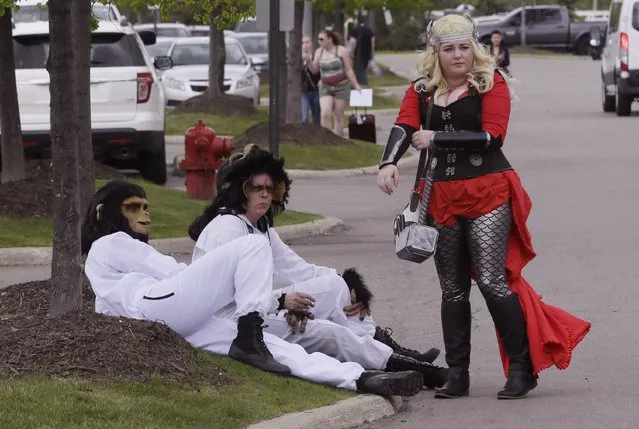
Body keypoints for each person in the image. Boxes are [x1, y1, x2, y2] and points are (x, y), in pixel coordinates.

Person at [376, 14, 591, 400]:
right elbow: (404, 126)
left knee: (492, 281)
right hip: (441, 196)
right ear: (435, 53)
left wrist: (436, 138)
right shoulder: (422, 89)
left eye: (463, 47)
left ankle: (522, 370)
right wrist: (388, 162)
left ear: (472, 49)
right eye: (449, 49)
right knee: (453, 289)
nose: (458, 55)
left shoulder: (490, 82)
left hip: (488, 192)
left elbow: (493, 136)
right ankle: (458, 374)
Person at [81, 179, 426, 397]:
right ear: (104, 212)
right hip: (156, 308)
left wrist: (271, 299)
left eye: (145, 207)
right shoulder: (109, 244)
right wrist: (237, 289)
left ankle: (360, 380)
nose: (145, 215)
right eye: (133, 208)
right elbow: (173, 272)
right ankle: (250, 332)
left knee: (278, 348)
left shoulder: (113, 268)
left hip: (173, 323)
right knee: (253, 246)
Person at [188, 144, 449, 389]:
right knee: (329, 332)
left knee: (335, 287)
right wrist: (282, 302)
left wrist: (350, 286)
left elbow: (301, 270)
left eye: (270, 188)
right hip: (230, 325)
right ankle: (414, 369)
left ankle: (404, 360)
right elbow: (225, 298)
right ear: (240, 191)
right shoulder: (227, 228)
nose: (265, 195)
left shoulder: (260, 228)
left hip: (258, 314)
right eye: (256, 188)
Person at [307, 27, 362, 137]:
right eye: (318, 39)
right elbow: (314, 70)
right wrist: (309, 61)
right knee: (325, 113)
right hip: (325, 87)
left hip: (341, 87)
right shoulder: (319, 52)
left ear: (329, 39)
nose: (319, 42)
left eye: (321, 39)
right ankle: (326, 139)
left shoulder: (341, 51)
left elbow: (348, 69)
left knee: (338, 115)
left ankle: (338, 139)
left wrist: (356, 85)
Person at [347, 15, 375, 86]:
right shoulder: (369, 30)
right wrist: (372, 54)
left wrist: (351, 52)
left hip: (358, 53)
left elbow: (353, 43)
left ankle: (363, 83)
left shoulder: (355, 31)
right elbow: (372, 43)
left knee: (359, 70)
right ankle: (359, 83)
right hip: (367, 53)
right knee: (363, 69)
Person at [301, 36, 321, 125]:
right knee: (304, 118)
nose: (305, 45)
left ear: (311, 44)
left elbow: (317, 72)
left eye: (307, 42)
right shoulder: (297, 59)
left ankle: (316, 135)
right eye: (303, 42)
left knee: (316, 116)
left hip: (315, 90)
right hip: (303, 91)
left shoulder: (316, 57)